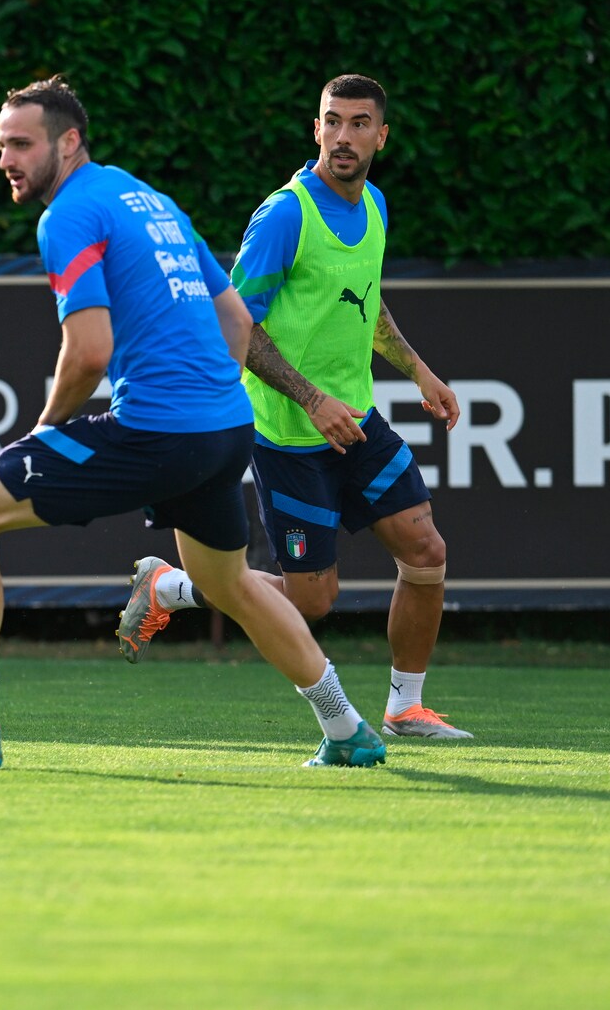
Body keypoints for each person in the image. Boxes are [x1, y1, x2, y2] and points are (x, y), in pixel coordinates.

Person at [0, 77, 386, 769]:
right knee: (229, 582)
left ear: (69, 142)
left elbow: (89, 351)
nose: (7, 160)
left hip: (158, 433)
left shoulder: (68, 215)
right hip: (225, 428)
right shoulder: (151, 200)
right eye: (2, 146)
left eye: (22, 145)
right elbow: (236, 321)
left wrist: (44, 429)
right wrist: (204, 398)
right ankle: (347, 728)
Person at [115, 74, 471, 738]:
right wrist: (310, 398)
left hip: (357, 421)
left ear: (382, 136)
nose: (343, 136)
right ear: (316, 129)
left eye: (358, 123)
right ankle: (169, 587)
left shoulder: (376, 206)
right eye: (332, 121)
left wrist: (420, 371)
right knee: (312, 600)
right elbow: (237, 323)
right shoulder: (285, 215)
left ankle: (405, 707)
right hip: (288, 435)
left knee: (426, 550)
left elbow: (364, 304)